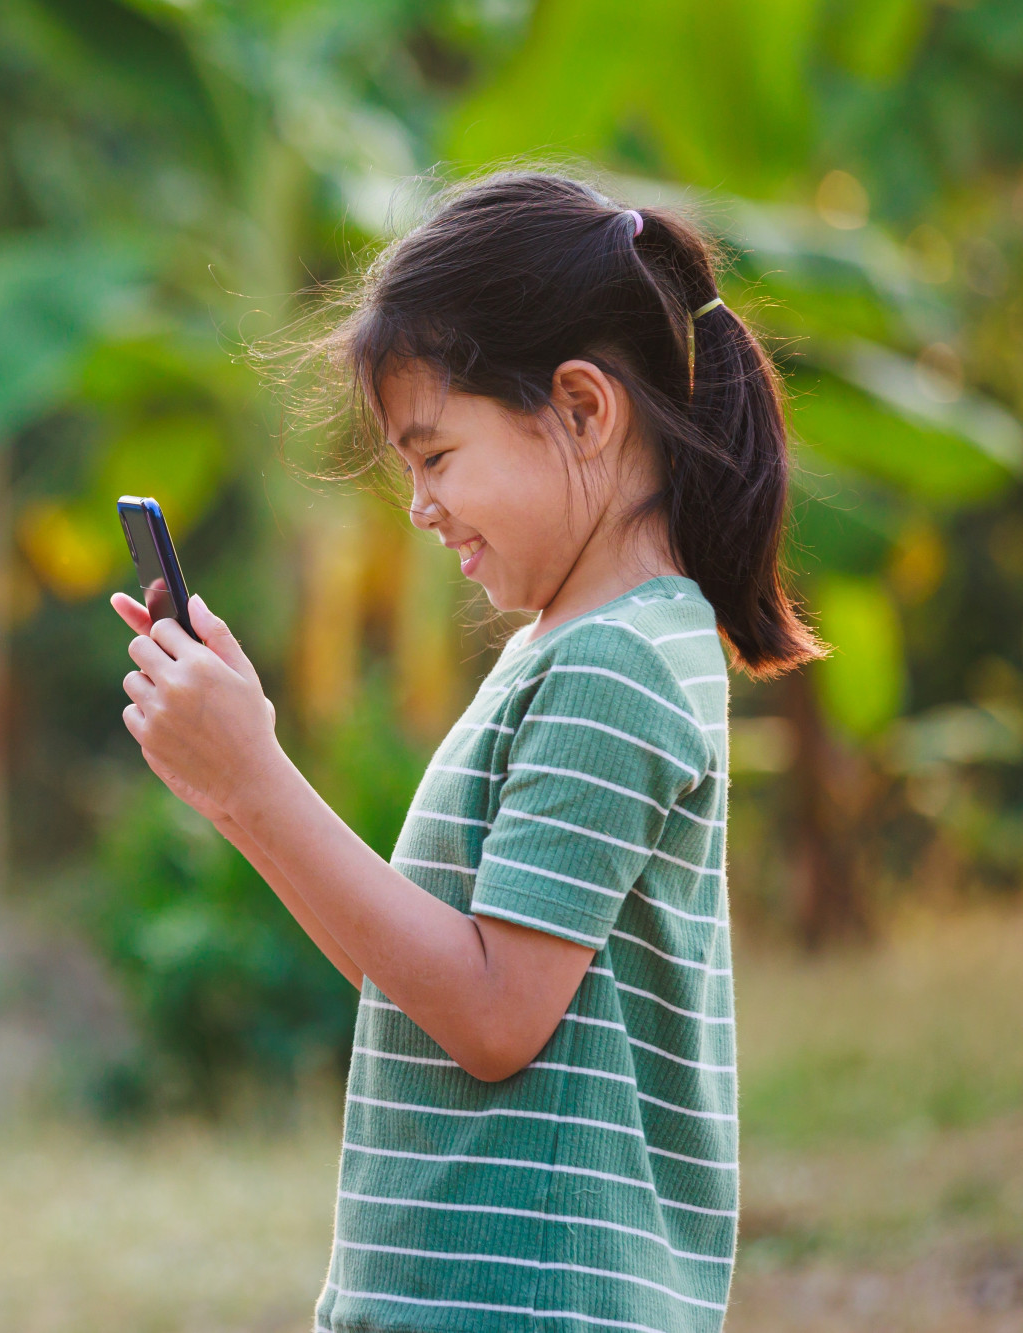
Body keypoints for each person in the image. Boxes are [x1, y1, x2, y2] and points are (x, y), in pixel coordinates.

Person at [112, 172, 821, 1333]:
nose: (418, 508)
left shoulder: (609, 666)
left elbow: (494, 1016)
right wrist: (237, 787)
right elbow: (423, 980)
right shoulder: (580, 644)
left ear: (583, 410)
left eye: (434, 457)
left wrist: (256, 784)